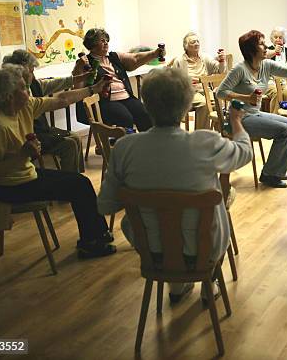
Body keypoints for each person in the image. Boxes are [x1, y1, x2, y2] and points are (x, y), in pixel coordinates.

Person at [97, 67, 252, 302]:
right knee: (220, 200)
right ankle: (209, 282)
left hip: (152, 253)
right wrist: (236, 122)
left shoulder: (124, 148)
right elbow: (244, 152)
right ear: (188, 104)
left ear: (146, 104)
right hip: (204, 251)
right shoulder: (205, 142)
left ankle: (177, 287)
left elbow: (105, 206)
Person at [0, 65, 116, 258]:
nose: (29, 91)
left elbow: (62, 99)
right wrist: (22, 155)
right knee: (79, 185)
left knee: (80, 182)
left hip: (25, 175)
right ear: (9, 96)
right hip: (8, 186)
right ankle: (91, 243)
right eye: (24, 88)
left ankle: (97, 234)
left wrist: (93, 89)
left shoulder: (24, 106)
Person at [217, 29, 287, 188]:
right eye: (261, 44)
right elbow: (220, 92)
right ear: (251, 50)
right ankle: (270, 174)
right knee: (286, 131)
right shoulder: (240, 69)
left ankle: (276, 171)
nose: (266, 47)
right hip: (238, 120)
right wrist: (246, 98)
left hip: (254, 114)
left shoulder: (266, 65)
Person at [2, 49, 86, 173]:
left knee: (76, 137)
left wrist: (81, 78)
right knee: (70, 144)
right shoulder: (16, 96)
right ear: (21, 72)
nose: (34, 75)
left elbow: (56, 84)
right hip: (29, 137)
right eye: (31, 71)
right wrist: (91, 89)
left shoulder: (33, 84)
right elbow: (61, 100)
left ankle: (76, 176)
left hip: (42, 130)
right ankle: (69, 180)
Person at [72, 28, 165, 131]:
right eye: (102, 41)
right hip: (104, 102)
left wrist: (155, 53)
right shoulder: (85, 62)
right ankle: (124, 145)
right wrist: (79, 67)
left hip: (126, 97)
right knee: (125, 118)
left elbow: (135, 58)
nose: (106, 43)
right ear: (92, 45)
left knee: (144, 113)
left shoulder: (114, 56)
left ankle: (147, 143)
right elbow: (77, 88)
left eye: (106, 40)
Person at [172, 31, 226, 129]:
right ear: (186, 46)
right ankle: (201, 137)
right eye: (193, 42)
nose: (197, 43)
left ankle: (221, 134)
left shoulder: (205, 57)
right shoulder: (179, 61)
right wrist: (186, 82)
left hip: (205, 90)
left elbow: (220, 70)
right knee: (205, 104)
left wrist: (222, 61)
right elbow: (173, 81)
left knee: (219, 103)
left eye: (197, 41)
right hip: (189, 92)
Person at [264, 26, 287, 113]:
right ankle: (274, 121)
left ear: (284, 39)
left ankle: (286, 118)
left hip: (285, 80)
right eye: (275, 37)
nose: (278, 39)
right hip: (270, 80)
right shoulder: (267, 51)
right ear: (272, 39)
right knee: (277, 92)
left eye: (280, 37)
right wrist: (275, 51)